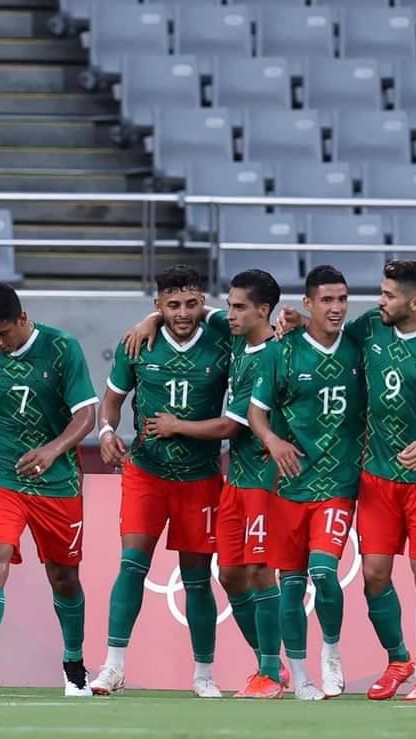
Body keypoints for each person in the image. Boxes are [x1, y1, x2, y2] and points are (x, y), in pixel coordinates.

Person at [280, 260, 416, 703]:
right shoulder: (372, 327)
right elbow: (328, 337)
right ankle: (398, 660)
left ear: (415, 302)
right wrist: (298, 319)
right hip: (375, 478)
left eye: (388, 295)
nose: (379, 301)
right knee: (374, 576)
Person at [121, 269, 287, 699]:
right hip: (236, 478)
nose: (226, 313)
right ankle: (270, 667)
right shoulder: (234, 336)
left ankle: (276, 669)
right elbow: (189, 311)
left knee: (260, 571)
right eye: (227, 305)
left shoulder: (271, 353)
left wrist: (176, 425)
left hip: (266, 477)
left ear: (261, 311)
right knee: (231, 574)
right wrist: (151, 319)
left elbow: (232, 427)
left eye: (236, 307)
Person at [91, 265, 231, 698]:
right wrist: (107, 432)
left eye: (192, 303)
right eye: (172, 305)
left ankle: (204, 675)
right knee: (132, 565)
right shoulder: (136, 343)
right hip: (146, 472)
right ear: (158, 306)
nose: (183, 313)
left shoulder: (223, 338)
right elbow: (112, 403)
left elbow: (246, 319)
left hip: (201, 477)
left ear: (202, 301)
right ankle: (112, 668)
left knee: (196, 578)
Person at [0, 281, 99, 698]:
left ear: (23, 318)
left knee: (64, 576)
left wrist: (52, 451)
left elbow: (85, 416)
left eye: (3, 332)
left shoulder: (61, 348)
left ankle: (74, 665)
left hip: (57, 482)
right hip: (2, 476)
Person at [248, 265, 365, 701]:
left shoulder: (359, 344)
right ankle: (299, 678)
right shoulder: (283, 352)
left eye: (342, 300)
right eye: (327, 301)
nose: (336, 309)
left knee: (323, 572)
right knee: (291, 583)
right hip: (289, 483)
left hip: (338, 482)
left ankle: (331, 652)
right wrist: (272, 439)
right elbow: (257, 412)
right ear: (309, 304)